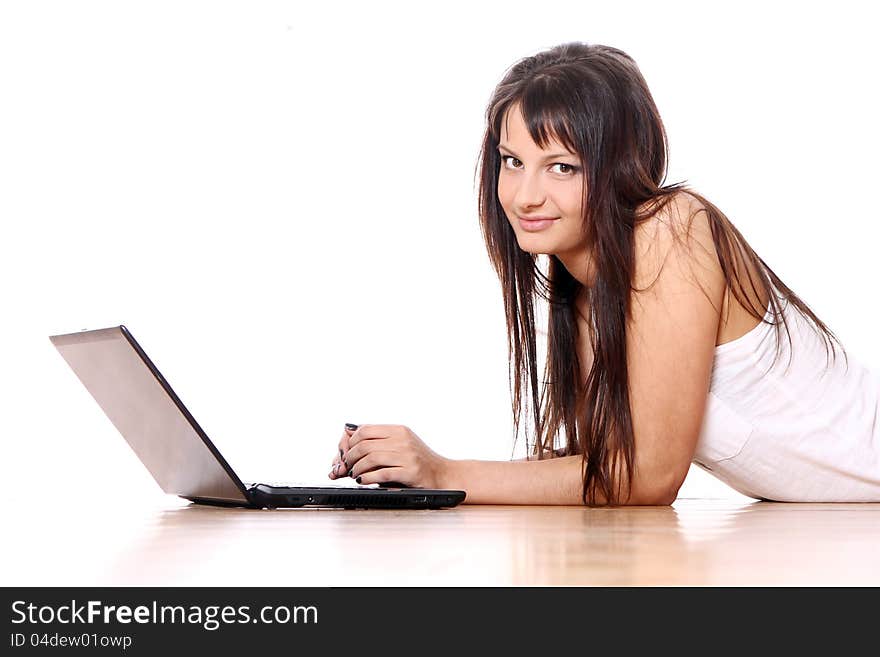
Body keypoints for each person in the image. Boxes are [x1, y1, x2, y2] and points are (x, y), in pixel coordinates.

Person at [327, 42, 880, 506]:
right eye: (512, 161)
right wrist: (408, 468)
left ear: (618, 166)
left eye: (561, 167)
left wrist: (446, 474)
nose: (525, 196)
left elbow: (648, 475)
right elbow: (601, 468)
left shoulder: (674, 230)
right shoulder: (589, 289)